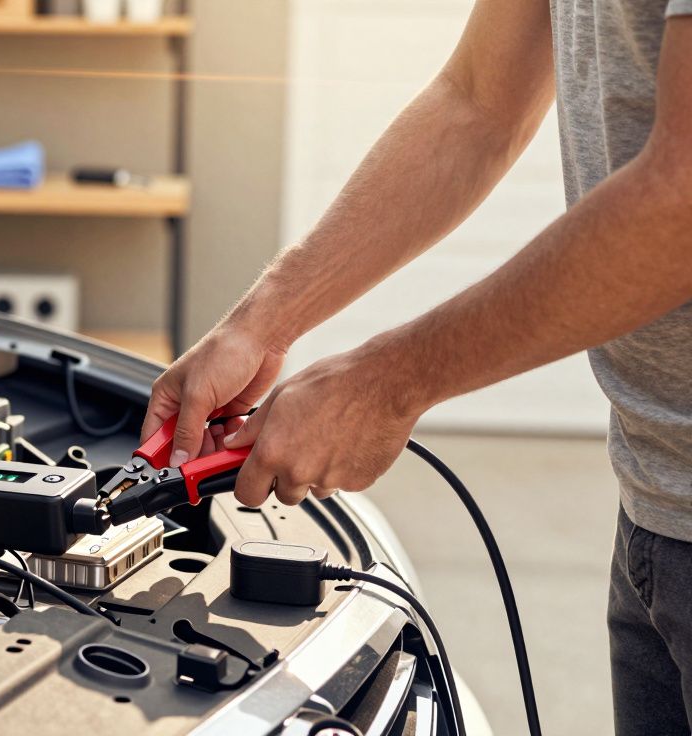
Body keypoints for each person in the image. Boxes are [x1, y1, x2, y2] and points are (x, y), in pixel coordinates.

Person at [143, 0, 692, 731]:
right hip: (656, 501)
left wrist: (386, 385)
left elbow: (681, 199)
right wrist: (262, 322)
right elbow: (476, 106)